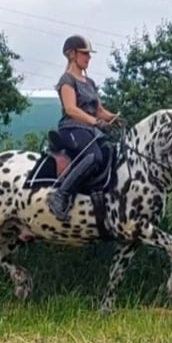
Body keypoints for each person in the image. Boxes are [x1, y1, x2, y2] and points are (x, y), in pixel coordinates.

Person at [47, 34, 119, 221]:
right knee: (93, 155)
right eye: (84, 53)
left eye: (89, 54)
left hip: (88, 131)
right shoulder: (67, 80)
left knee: (109, 152)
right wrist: (95, 122)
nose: (88, 57)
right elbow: (71, 109)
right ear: (72, 54)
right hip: (72, 129)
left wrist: (115, 118)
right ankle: (60, 195)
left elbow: (99, 110)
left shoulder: (90, 83)